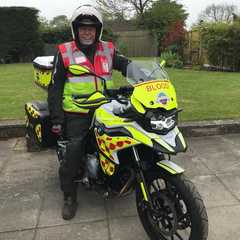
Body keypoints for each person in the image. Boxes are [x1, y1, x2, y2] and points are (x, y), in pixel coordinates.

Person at [48, 4, 130, 220]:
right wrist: (57, 118)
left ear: (98, 30)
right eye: (83, 28)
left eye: (91, 28)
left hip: (105, 107)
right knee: (75, 149)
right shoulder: (64, 51)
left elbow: (125, 65)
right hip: (77, 111)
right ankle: (69, 195)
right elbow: (55, 87)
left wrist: (141, 73)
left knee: (127, 136)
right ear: (76, 29)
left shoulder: (108, 49)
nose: (87, 31)